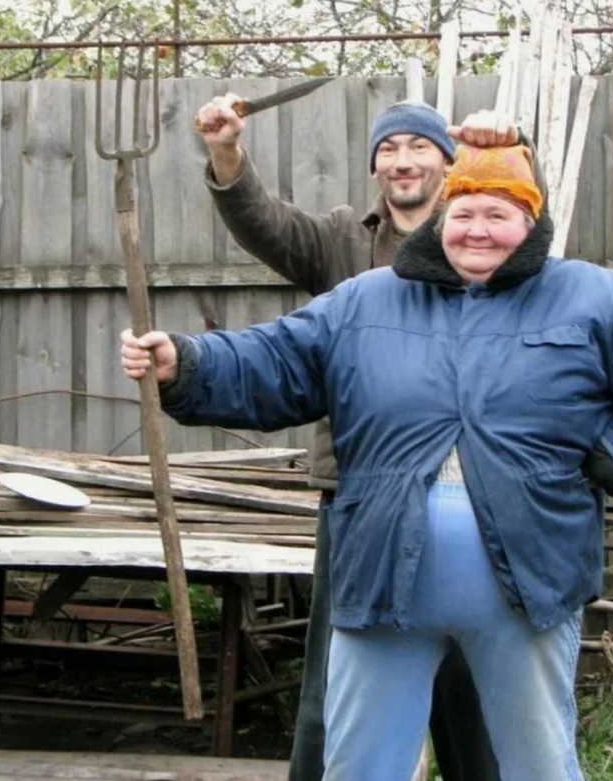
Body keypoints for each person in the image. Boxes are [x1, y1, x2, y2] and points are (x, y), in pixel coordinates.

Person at [121, 141, 613, 780]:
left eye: (499, 214)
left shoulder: (592, 297)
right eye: (464, 213)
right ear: (442, 218)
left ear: (531, 223)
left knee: (537, 762)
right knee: (360, 765)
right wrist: (185, 364)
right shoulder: (366, 301)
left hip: (529, 582)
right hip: (384, 578)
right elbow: (273, 360)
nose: (478, 230)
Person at [194, 94, 517, 781]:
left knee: (468, 689)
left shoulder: (481, 234)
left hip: (467, 494)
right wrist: (227, 154)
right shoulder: (344, 238)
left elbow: (532, 225)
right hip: (360, 496)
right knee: (336, 681)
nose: (402, 161)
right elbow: (268, 225)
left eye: (418, 146)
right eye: (389, 149)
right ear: (376, 165)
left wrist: (510, 145)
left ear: (446, 158)